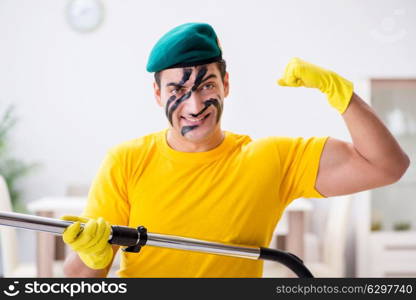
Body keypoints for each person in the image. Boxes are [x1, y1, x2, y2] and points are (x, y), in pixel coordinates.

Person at [61, 23, 410, 278]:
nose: (194, 104)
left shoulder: (271, 158)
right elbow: (79, 283)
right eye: (177, 90)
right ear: (157, 95)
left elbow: (387, 166)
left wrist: (341, 94)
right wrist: (92, 258)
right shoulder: (126, 160)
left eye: (206, 84)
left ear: (226, 85)